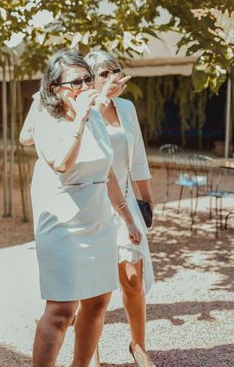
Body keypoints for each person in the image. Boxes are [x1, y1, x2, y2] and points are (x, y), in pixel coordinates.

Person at [30, 50, 142, 367]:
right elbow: (62, 162)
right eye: (76, 81)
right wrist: (79, 116)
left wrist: (127, 218)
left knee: (98, 302)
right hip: (63, 224)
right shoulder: (46, 119)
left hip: (99, 221)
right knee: (62, 310)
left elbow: (106, 172)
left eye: (87, 79)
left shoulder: (95, 116)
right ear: (55, 88)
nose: (85, 86)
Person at [85, 50, 156, 367]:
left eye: (116, 71)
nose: (113, 77)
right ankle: (91, 352)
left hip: (125, 200)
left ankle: (138, 346)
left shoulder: (126, 108)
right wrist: (100, 98)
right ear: (91, 79)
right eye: (104, 73)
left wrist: (147, 199)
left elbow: (137, 156)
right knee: (95, 285)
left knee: (131, 277)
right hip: (92, 204)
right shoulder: (84, 108)